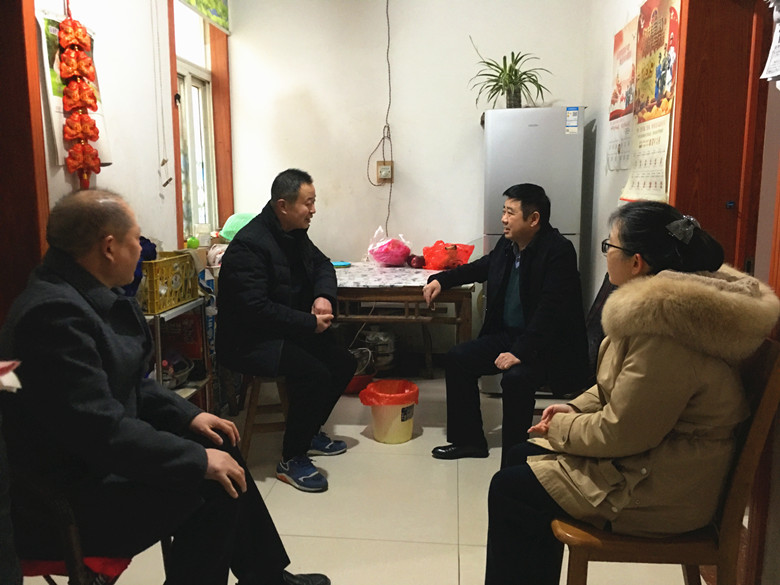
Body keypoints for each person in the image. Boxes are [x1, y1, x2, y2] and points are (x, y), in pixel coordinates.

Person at [0, 189, 330, 585]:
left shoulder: (88, 296)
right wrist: (196, 461)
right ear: (109, 248)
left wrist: (189, 415)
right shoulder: (53, 317)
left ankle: (267, 577)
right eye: (135, 240)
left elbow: (131, 383)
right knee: (213, 485)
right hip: (64, 497)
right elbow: (100, 431)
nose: (142, 251)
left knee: (221, 447)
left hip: (100, 462)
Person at [484, 200, 780, 585]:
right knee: (521, 456)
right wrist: (573, 408)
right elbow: (618, 386)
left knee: (510, 490)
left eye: (610, 246)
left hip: (664, 489)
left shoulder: (666, 329)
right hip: (657, 461)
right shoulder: (669, 310)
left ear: (636, 262)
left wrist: (561, 429)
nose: (607, 254)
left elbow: (621, 431)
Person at [422, 183, 588, 467]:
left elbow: (550, 311)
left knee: (516, 379)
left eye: (511, 213)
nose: (503, 219)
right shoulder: (509, 246)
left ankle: (514, 459)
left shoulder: (558, 251)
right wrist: (441, 279)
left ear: (533, 219)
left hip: (546, 345)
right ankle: (469, 441)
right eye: (504, 211)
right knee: (458, 358)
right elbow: (482, 267)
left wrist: (520, 352)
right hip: (511, 336)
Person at [216, 169, 355, 493]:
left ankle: (309, 431)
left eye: (314, 202)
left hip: (283, 330)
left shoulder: (295, 233)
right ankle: (292, 458)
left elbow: (323, 265)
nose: (313, 210)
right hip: (248, 341)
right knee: (315, 374)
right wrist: (308, 323)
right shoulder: (249, 245)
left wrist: (323, 296)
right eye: (308, 203)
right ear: (283, 205)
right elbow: (256, 310)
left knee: (344, 362)